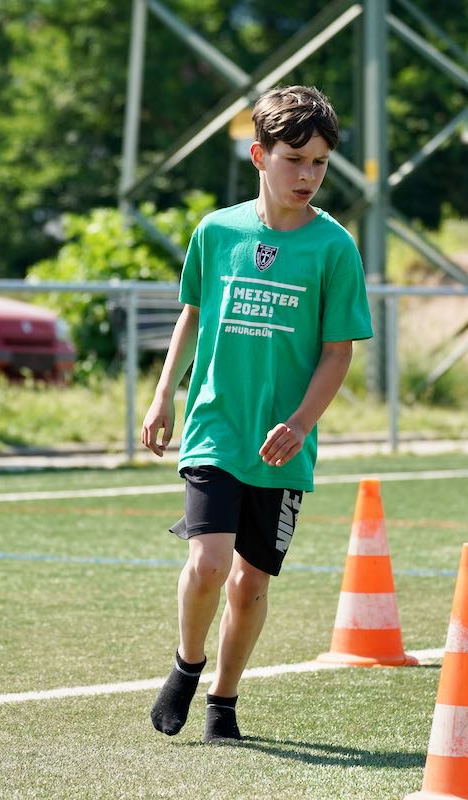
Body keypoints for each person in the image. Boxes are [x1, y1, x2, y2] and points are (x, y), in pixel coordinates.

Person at [141, 85, 373, 743]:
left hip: (283, 444)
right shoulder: (217, 232)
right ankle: (187, 665)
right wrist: (164, 394)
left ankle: (224, 701)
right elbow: (192, 315)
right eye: (294, 159)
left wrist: (300, 422)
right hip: (216, 425)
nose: (307, 175)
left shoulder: (334, 248)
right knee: (209, 564)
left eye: (319, 163)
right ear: (259, 155)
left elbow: (338, 352)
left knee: (248, 585)